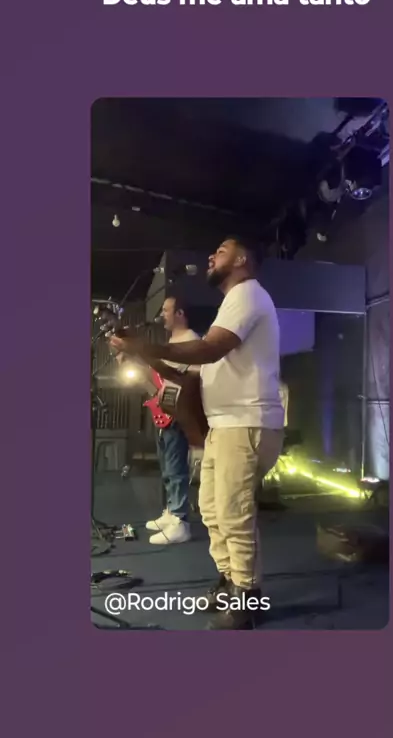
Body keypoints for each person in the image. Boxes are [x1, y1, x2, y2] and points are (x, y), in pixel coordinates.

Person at [111, 237, 284, 629]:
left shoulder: (247, 294)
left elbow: (208, 351)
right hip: (224, 427)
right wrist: (141, 352)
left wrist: (148, 345)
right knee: (211, 509)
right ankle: (230, 580)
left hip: (245, 422)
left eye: (221, 251)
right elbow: (187, 376)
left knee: (234, 513)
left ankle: (248, 596)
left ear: (241, 259)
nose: (211, 255)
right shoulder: (232, 305)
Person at [146, 295, 200, 546]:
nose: (162, 315)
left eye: (166, 310)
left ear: (180, 313)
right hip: (167, 410)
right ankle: (171, 511)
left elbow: (191, 380)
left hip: (178, 412)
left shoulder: (191, 341)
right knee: (168, 467)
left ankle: (180, 520)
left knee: (176, 467)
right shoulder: (173, 341)